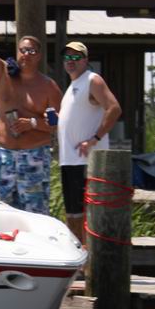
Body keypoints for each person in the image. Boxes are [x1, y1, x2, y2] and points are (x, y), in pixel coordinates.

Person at [0, 0, 62, 215]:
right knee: (3, 211)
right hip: (4, 154)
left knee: (34, 212)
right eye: (23, 50)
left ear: (39, 55)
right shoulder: (2, 73)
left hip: (34, 155)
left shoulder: (48, 87)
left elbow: (57, 123)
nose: (26, 55)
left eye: (31, 51)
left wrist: (32, 123)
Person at [58, 41, 122, 243]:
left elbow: (114, 109)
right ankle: (79, 256)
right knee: (73, 215)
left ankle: (92, 257)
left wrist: (94, 139)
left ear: (85, 60)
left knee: (89, 215)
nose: (71, 61)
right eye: (68, 57)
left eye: (76, 57)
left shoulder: (92, 79)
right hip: (69, 161)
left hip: (86, 162)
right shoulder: (72, 86)